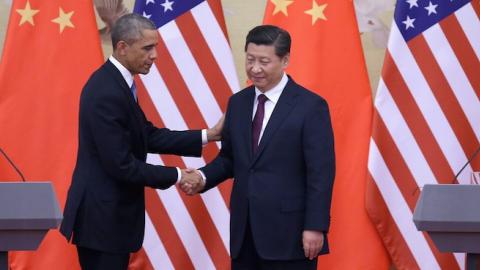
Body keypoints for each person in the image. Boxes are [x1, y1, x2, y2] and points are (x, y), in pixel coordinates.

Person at [60, 13, 222, 270]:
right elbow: (121, 165)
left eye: (155, 47)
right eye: (147, 48)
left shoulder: (118, 83)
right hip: (102, 222)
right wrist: (179, 175)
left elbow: (147, 135)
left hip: (111, 220)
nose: (155, 55)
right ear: (122, 47)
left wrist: (208, 135)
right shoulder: (106, 91)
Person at [181, 25, 335, 270]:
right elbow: (230, 159)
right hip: (245, 233)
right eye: (250, 59)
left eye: (264, 61)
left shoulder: (310, 106)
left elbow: (321, 173)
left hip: (290, 234)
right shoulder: (238, 102)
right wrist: (202, 177)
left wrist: (315, 226)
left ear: (285, 60)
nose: (255, 68)